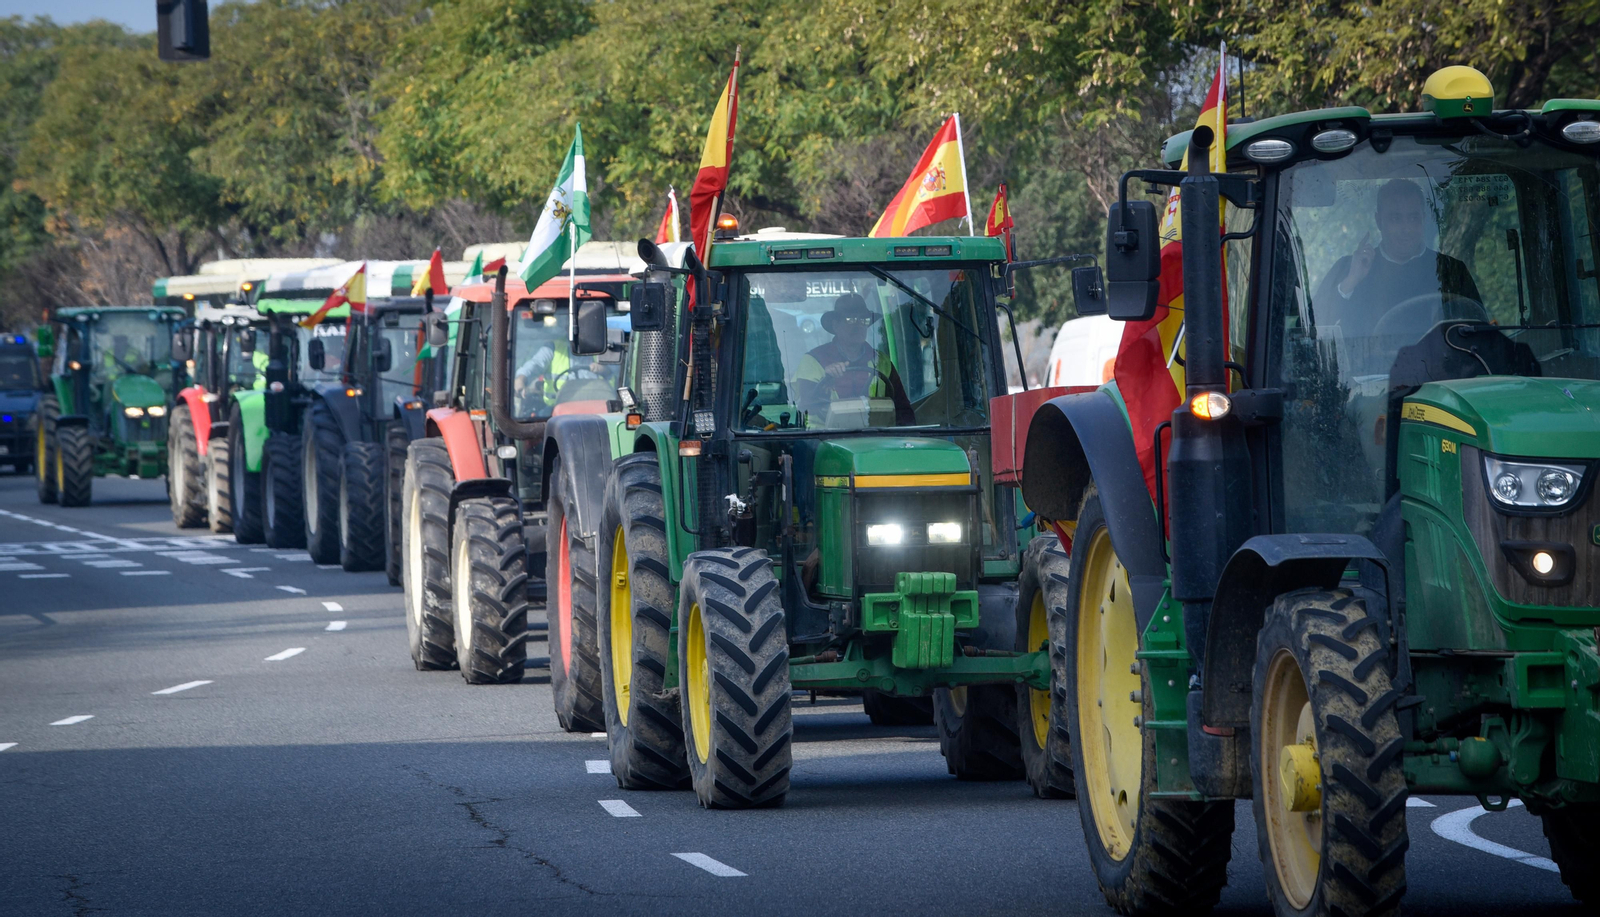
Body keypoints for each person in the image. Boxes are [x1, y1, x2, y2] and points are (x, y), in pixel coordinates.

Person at [1314, 179, 1483, 333]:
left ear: (1424, 219)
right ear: (1379, 221)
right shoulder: (1351, 268)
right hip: (1368, 367)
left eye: (1413, 218)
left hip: (1439, 365)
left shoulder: (1451, 270)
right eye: (1396, 218)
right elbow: (1310, 329)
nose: (1406, 228)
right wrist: (1350, 282)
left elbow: (1479, 331)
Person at [792, 293, 913, 423]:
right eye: (850, 319)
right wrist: (826, 381)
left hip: (874, 436)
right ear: (835, 325)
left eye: (863, 320)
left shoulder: (881, 361)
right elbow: (804, 409)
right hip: (823, 437)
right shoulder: (812, 360)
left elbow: (902, 410)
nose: (859, 326)